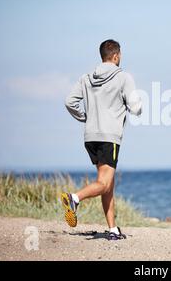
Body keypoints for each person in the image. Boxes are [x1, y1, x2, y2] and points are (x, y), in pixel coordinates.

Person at [62, 39, 142, 240]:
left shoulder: (87, 78)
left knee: (107, 182)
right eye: (120, 55)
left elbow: (69, 102)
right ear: (116, 56)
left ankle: (113, 229)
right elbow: (136, 107)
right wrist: (136, 107)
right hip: (109, 137)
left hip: (90, 137)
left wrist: (85, 117)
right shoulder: (123, 77)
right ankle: (74, 198)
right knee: (104, 183)